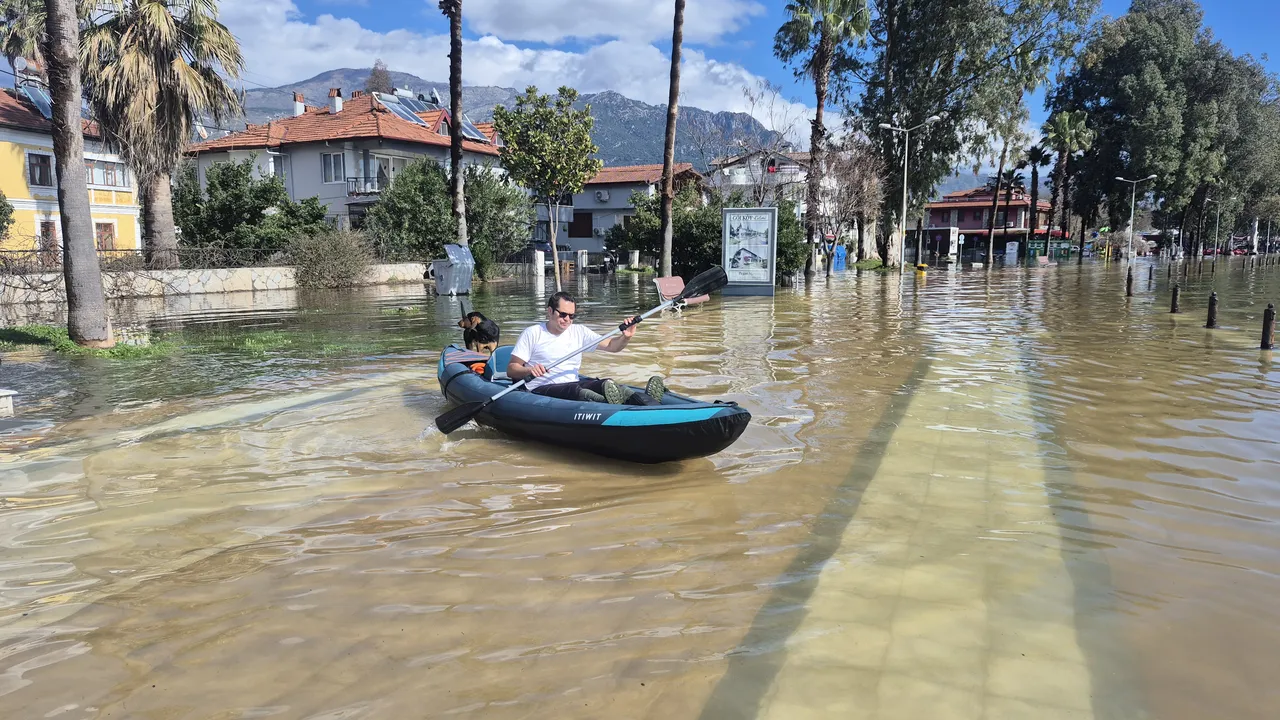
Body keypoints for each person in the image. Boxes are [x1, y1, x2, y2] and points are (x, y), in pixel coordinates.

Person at [508, 291, 666, 405]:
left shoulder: (580, 332)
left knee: (606, 384)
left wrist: (626, 336)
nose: (567, 320)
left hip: (573, 382)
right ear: (550, 311)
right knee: (580, 393)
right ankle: (616, 407)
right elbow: (512, 369)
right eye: (563, 314)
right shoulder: (533, 333)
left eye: (572, 316)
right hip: (542, 388)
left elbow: (612, 346)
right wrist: (530, 370)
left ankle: (650, 403)